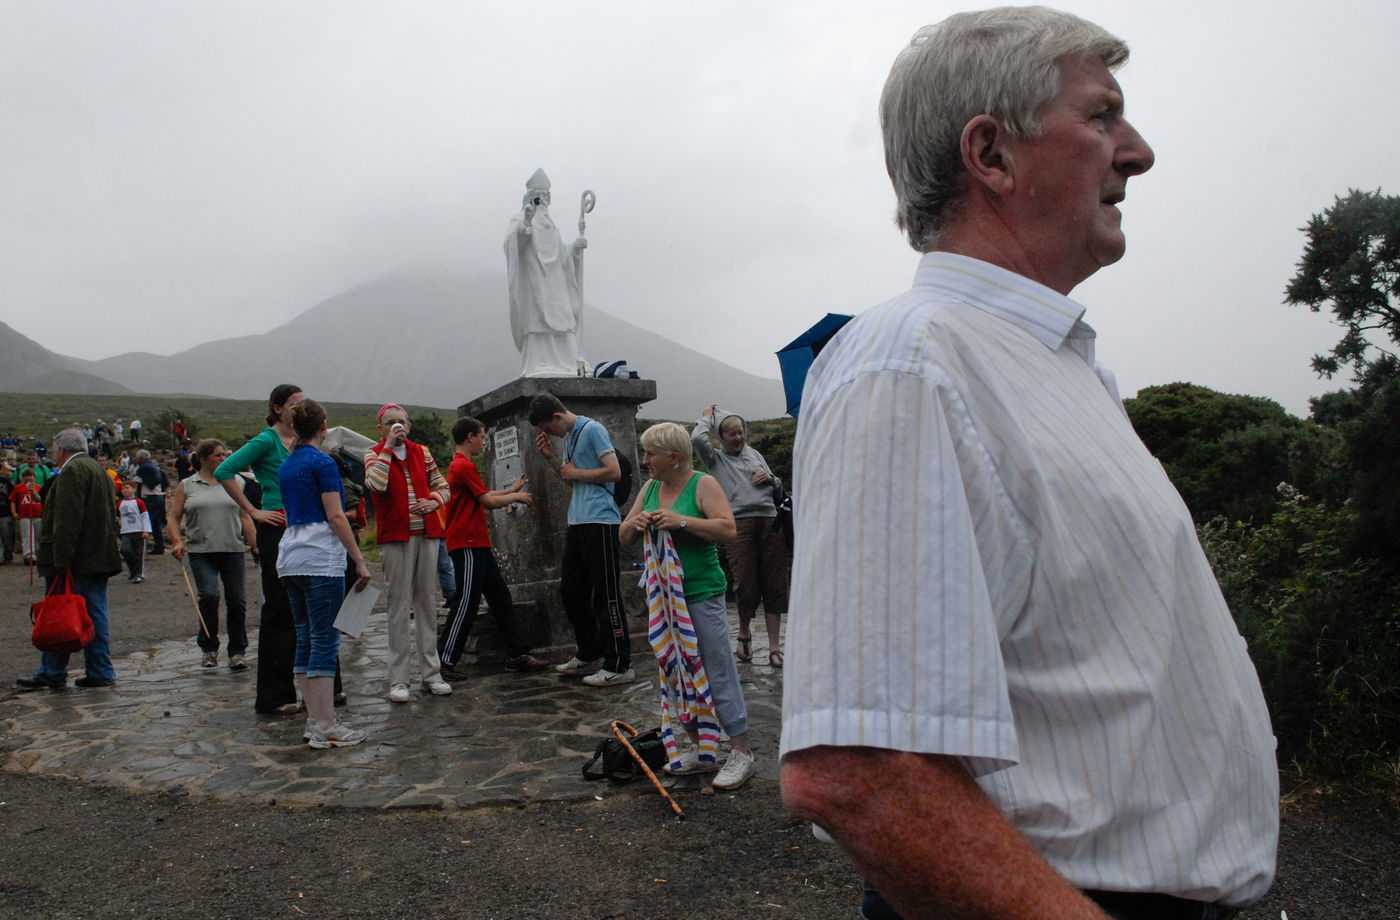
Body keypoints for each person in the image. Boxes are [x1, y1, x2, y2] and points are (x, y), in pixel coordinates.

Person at [778, 9, 1278, 920]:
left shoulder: (1051, 368)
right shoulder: (912, 365)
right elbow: (859, 771)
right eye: (1102, 115)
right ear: (992, 155)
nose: (1138, 152)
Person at [620, 422, 757, 790]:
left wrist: (681, 521)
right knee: (677, 670)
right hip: (665, 597)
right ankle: (702, 749)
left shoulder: (702, 484)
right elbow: (624, 534)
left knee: (714, 667)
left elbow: (727, 528)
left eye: (651, 454)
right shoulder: (650, 488)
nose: (645, 460)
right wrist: (637, 522)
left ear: (674, 457)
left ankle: (741, 750)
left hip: (700, 592)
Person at [276, 400, 372, 748]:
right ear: (323, 426)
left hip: (290, 556)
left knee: (305, 637)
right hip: (320, 557)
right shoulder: (323, 463)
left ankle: (314, 719)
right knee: (324, 640)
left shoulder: (287, 465)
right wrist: (358, 559)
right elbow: (335, 516)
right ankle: (326, 726)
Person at [529, 392, 631, 686]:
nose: (550, 434)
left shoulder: (593, 429)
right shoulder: (569, 437)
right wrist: (550, 458)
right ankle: (589, 651)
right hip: (578, 520)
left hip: (601, 521)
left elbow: (614, 472)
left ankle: (619, 664)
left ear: (557, 416)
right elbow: (569, 478)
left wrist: (577, 472)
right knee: (571, 592)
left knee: (605, 595)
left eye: (548, 428)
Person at [437, 416, 551, 678]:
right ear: (470, 437)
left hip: (477, 543)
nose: (483, 442)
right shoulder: (462, 465)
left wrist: (511, 489)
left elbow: (483, 495)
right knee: (466, 601)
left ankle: (517, 654)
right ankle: (444, 661)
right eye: (481, 436)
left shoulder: (462, 465)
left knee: (500, 598)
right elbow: (487, 502)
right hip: (467, 543)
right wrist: (516, 496)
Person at [215, 383, 305, 713]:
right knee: (279, 610)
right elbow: (225, 470)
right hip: (275, 528)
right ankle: (274, 696)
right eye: (294, 404)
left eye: (304, 403)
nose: (299, 409)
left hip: (301, 527)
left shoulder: (301, 440)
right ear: (277, 408)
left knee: (303, 610)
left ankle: (311, 688)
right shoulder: (267, 440)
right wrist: (253, 511)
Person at [15, 428, 122, 690]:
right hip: (99, 556)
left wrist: (61, 560)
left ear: (61, 449)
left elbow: (67, 519)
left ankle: (53, 671)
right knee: (94, 613)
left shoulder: (73, 471)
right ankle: (99, 670)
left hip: (77, 560)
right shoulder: (98, 470)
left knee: (60, 613)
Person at [364, 403, 452, 703]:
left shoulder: (422, 452)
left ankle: (432, 674)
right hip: (395, 537)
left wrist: (434, 502)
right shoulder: (373, 454)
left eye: (401, 421)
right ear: (381, 429)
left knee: (427, 602)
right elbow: (376, 486)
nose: (397, 426)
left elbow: (443, 486)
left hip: (427, 535)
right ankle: (399, 679)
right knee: (398, 606)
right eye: (390, 422)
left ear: (409, 425)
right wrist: (388, 448)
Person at [691, 404, 789, 667]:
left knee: (775, 583)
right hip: (739, 523)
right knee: (745, 582)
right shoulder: (715, 459)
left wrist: (771, 479)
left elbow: (778, 487)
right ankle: (744, 633)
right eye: (732, 434)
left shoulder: (755, 454)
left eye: (741, 432)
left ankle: (774, 646)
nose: (738, 437)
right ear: (722, 437)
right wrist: (707, 419)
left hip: (769, 521)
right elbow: (697, 439)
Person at [168, 439, 258, 670]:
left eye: (224, 454)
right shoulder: (187, 485)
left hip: (233, 549)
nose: (223, 458)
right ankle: (209, 648)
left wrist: (255, 545)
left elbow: (245, 516)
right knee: (209, 597)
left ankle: (237, 651)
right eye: (218, 455)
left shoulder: (236, 481)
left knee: (236, 600)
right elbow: (174, 517)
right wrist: (177, 541)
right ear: (204, 458)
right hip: (201, 551)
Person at [505, 168, 588, 377]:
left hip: (557, 285)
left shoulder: (552, 226)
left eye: (545, 196)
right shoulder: (519, 219)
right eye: (538, 197)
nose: (542, 201)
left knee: (564, 320)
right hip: (535, 282)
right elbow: (513, 243)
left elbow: (562, 255)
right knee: (537, 321)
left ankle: (569, 362)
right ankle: (539, 362)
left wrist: (575, 248)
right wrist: (526, 222)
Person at [132, 450, 169, 555]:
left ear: (140, 459)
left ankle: (141, 548)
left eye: (137, 458)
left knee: (146, 522)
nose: (135, 460)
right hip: (159, 497)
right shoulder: (154, 467)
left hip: (150, 498)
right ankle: (160, 546)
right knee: (157, 524)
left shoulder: (143, 469)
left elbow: (137, 483)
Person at [114, 480, 151, 583]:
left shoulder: (139, 502)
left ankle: (140, 573)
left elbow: (144, 516)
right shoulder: (120, 504)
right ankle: (132, 569)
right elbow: (117, 517)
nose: (124, 490)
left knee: (139, 553)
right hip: (125, 531)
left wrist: (146, 530)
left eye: (127, 488)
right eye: (123, 489)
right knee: (125, 550)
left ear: (134, 489)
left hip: (138, 531)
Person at [11, 467, 43, 564]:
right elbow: (13, 501)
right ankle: (29, 555)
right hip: (25, 515)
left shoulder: (39, 487)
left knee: (38, 535)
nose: (28, 477)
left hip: (38, 514)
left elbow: (42, 499)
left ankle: (38, 554)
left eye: (30, 475)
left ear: (34, 476)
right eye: (26, 476)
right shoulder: (18, 488)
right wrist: (14, 512)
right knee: (27, 535)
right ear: (23, 477)